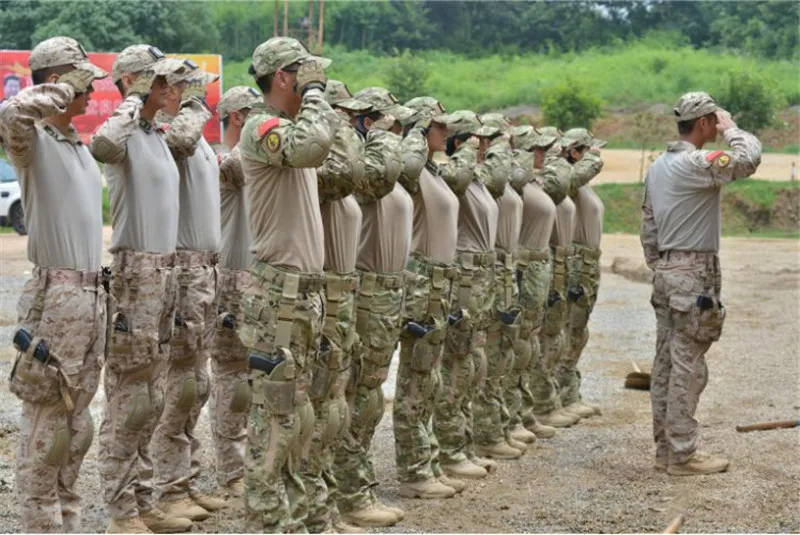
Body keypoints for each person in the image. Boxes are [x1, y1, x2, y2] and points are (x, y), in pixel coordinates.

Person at [0, 36, 107, 534]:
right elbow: (10, 113)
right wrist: (58, 90)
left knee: (76, 429)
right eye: (79, 79)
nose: (88, 90)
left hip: (91, 297)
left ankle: (66, 523)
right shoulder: (33, 141)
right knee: (46, 433)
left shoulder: (78, 147)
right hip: (56, 299)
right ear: (54, 80)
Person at [237, 36, 338, 533]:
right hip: (278, 294)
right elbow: (314, 145)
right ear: (283, 77)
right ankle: (265, 522)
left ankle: (296, 517)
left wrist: (319, 99)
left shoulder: (294, 131)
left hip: (303, 292)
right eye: (303, 73)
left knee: (299, 416)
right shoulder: (261, 127)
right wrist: (317, 94)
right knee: (273, 418)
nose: (312, 81)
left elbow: (329, 150)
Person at [91, 45, 190, 534]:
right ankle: (119, 511)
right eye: (159, 81)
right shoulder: (125, 132)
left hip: (166, 272)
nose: (170, 89)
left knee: (152, 396)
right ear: (135, 82)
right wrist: (131, 98)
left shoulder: (155, 135)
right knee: (128, 397)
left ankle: (144, 498)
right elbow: (101, 145)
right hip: (136, 274)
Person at [641, 91, 761, 476]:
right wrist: (734, 131)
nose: (718, 125)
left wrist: (663, 268)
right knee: (689, 367)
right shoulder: (694, 162)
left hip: (668, 272)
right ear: (705, 123)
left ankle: (666, 451)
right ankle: (682, 454)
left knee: (665, 366)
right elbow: (748, 160)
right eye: (715, 120)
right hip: (693, 274)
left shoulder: (659, 165)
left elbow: (648, 226)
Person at [332, 86, 416, 528]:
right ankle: (349, 491)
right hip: (365, 290)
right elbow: (378, 178)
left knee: (367, 396)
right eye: (389, 121)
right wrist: (378, 133)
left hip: (385, 291)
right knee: (357, 398)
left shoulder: (382, 161)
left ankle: (353, 486)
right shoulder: (363, 166)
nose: (398, 132)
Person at [151, 60, 226, 520]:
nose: (199, 99)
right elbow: (179, 136)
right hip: (183, 272)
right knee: (176, 386)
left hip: (206, 273)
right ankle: (167, 489)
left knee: (196, 385)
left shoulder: (198, 143)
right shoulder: (168, 136)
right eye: (186, 88)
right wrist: (194, 104)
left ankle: (185, 481)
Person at [302, 79, 369, 534]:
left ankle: (326, 503)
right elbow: (345, 172)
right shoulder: (321, 169)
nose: (347, 122)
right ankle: (314, 507)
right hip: (323, 291)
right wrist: (341, 127)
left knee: (335, 405)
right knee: (318, 406)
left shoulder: (336, 165)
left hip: (342, 292)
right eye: (342, 113)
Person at [393, 96, 466, 500]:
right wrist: (414, 139)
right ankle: (413, 470)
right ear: (421, 130)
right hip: (422, 283)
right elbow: (402, 169)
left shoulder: (435, 172)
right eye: (438, 126)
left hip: (440, 283)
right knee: (416, 381)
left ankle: (428, 460)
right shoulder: (413, 171)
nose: (447, 132)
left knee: (430, 379)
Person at [434, 110, 502, 478]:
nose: (486, 146)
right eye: (478, 139)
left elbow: (504, 178)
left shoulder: (476, 177)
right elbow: (456, 176)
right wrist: (463, 150)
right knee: (458, 365)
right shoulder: (452, 176)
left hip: (482, 277)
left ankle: (464, 444)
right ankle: (449, 448)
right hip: (465, 277)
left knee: (474, 364)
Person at [210, 85, 261, 501]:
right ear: (240, 117)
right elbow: (245, 168)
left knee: (258, 377)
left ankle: (252, 462)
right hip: (231, 277)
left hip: (258, 276)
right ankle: (231, 470)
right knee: (232, 380)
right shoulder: (225, 159)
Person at [471, 112, 528, 459]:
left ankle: (497, 425)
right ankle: (484, 433)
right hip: (484, 274)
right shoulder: (476, 176)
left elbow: (521, 174)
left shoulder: (498, 177)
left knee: (505, 355)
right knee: (482, 360)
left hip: (504, 271)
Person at [505, 126, 561, 442]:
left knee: (530, 346)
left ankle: (524, 413)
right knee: (518, 348)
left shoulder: (533, 183)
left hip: (537, 267)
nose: (542, 154)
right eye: (535, 149)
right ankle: (511, 418)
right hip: (523, 269)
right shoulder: (515, 185)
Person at [558, 128, 605, 419]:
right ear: (575, 153)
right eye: (588, 151)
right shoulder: (568, 179)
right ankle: (558, 398)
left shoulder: (582, 184)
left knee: (579, 332)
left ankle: (570, 393)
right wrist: (591, 161)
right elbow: (571, 180)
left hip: (588, 261)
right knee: (568, 331)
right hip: (576, 262)